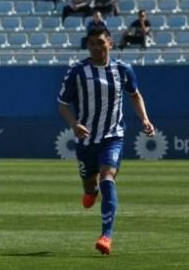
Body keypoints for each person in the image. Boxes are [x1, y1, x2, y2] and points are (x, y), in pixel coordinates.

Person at [57, 25, 155, 255]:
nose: (96, 47)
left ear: (110, 43)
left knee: (107, 177)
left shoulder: (123, 70)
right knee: (90, 185)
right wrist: (74, 124)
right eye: (91, 43)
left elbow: (135, 95)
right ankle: (90, 192)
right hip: (86, 139)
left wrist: (145, 119)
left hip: (113, 136)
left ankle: (106, 236)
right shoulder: (77, 72)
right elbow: (62, 104)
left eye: (100, 42)